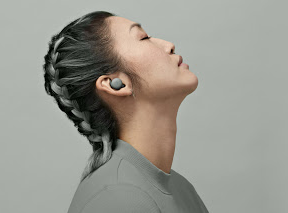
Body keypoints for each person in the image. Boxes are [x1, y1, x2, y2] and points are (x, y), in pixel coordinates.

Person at [42, 11, 208, 213]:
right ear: (116, 84)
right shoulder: (119, 198)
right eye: (144, 38)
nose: (168, 45)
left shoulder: (181, 189)